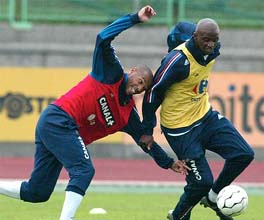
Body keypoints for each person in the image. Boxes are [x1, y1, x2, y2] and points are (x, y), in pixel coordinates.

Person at [0, 6, 190, 220]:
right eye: (140, 81)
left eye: (144, 87)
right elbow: (102, 38)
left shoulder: (128, 115)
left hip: (59, 130)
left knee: (37, 192)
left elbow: (147, 143)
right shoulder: (110, 72)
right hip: (58, 120)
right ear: (133, 71)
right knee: (84, 170)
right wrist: (135, 18)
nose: (139, 87)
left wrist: (169, 162)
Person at [139, 18, 254, 220]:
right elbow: (153, 93)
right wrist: (148, 129)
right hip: (180, 129)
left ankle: (213, 197)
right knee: (200, 181)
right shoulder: (177, 61)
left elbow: (201, 36)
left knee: (243, 154)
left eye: (214, 40)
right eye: (206, 40)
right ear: (195, 37)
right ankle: (178, 216)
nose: (210, 44)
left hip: (205, 116)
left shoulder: (213, 49)